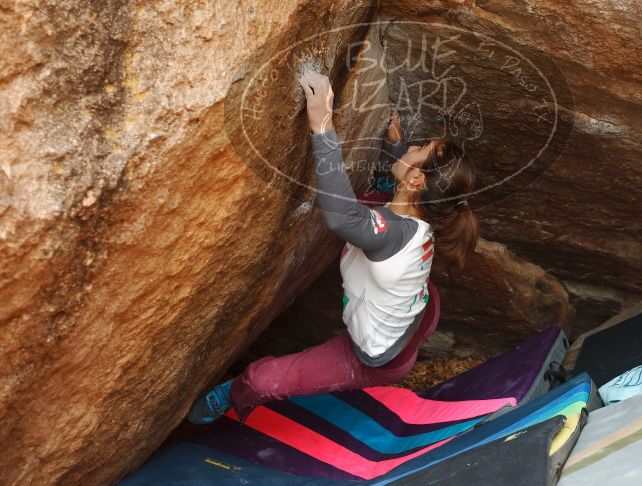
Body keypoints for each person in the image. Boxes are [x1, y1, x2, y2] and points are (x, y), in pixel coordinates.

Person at [187, 71, 479, 424]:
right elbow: (394, 200)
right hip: (413, 308)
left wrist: (322, 125)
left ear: (417, 180)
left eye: (419, 150)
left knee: (262, 378)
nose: (414, 145)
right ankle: (416, 318)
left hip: (375, 356)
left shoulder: (393, 234)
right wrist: (399, 152)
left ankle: (231, 398)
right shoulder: (420, 216)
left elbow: (342, 217)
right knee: (383, 214)